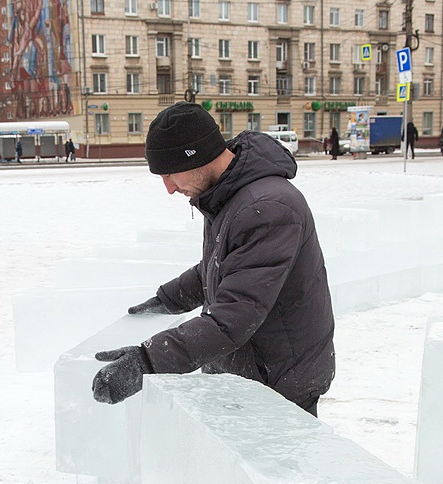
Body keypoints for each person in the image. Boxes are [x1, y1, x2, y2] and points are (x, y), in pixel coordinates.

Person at [91, 102, 336, 415]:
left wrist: (147, 362)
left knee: (279, 464)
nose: (168, 188)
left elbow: (235, 317)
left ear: (197, 156)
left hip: (279, 381)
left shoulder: (268, 207)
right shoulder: (227, 192)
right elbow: (223, 267)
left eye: (169, 174)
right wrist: (168, 299)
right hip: (252, 368)